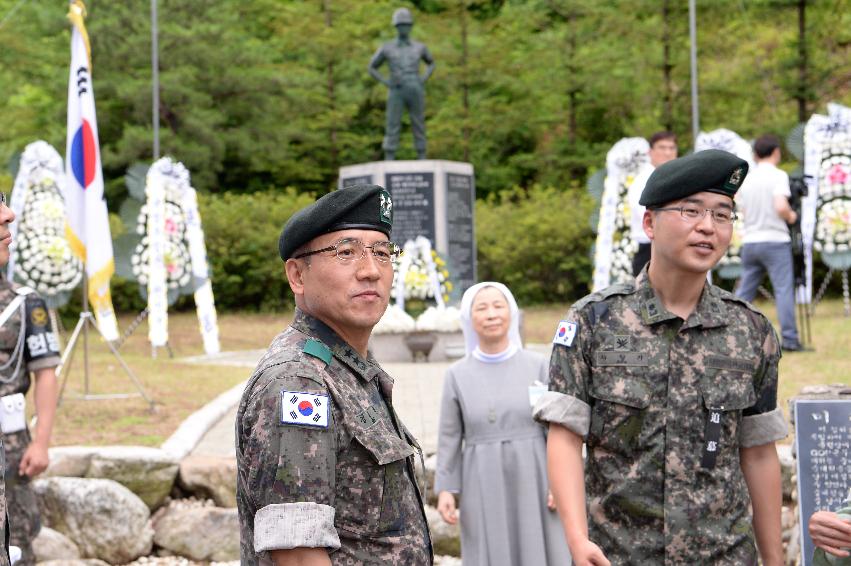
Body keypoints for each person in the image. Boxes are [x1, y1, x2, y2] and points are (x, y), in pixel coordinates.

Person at [534, 149, 789, 565]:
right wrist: (578, 541)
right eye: (691, 211)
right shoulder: (593, 321)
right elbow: (564, 435)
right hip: (621, 553)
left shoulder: (751, 330)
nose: (708, 227)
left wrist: (775, 560)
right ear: (649, 223)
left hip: (724, 553)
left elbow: (759, 450)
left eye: (722, 215)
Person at [235, 184, 432, 566]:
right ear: (297, 276)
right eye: (346, 252)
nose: (371, 271)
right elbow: (297, 551)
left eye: (381, 252)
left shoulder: (345, 367)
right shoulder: (299, 381)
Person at [434, 282, 571, 566]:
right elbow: (449, 436)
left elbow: (556, 429)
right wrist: (446, 488)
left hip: (535, 473)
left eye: (498, 306)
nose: (491, 314)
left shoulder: (539, 366)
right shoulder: (456, 375)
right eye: (481, 308)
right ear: (469, 319)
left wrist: (559, 482)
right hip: (481, 477)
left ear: (512, 314)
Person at [0, 190, 60, 566]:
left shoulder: (24, 303)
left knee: (16, 543)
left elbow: (46, 373)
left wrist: (40, 442)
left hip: (10, 449)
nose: (10, 218)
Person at [734, 134, 802, 351]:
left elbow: (742, 209)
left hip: (751, 240)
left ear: (755, 154)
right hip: (775, 240)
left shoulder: (748, 178)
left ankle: (730, 332)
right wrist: (792, 217)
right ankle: (790, 340)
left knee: (744, 293)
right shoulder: (778, 175)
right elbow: (781, 205)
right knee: (783, 291)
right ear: (776, 152)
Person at [368, 8, 435, 161]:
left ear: (410, 26)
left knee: (418, 121)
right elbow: (372, 67)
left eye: (406, 25)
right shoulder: (387, 47)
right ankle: (389, 155)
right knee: (392, 122)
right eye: (400, 25)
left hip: (415, 86)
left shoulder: (420, 47)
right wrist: (386, 81)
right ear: (396, 26)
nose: (403, 28)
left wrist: (423, 79)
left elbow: (431, 63)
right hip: (396, 88)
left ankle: (421, 154)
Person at [627, 131, 678, 276]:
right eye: (662, 148)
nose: (668, 152)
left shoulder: (677, 178)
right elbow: (646, 213)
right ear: (650, 152)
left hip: (673, 246)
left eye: (672, 148)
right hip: (649, 249)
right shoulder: (642, 180)